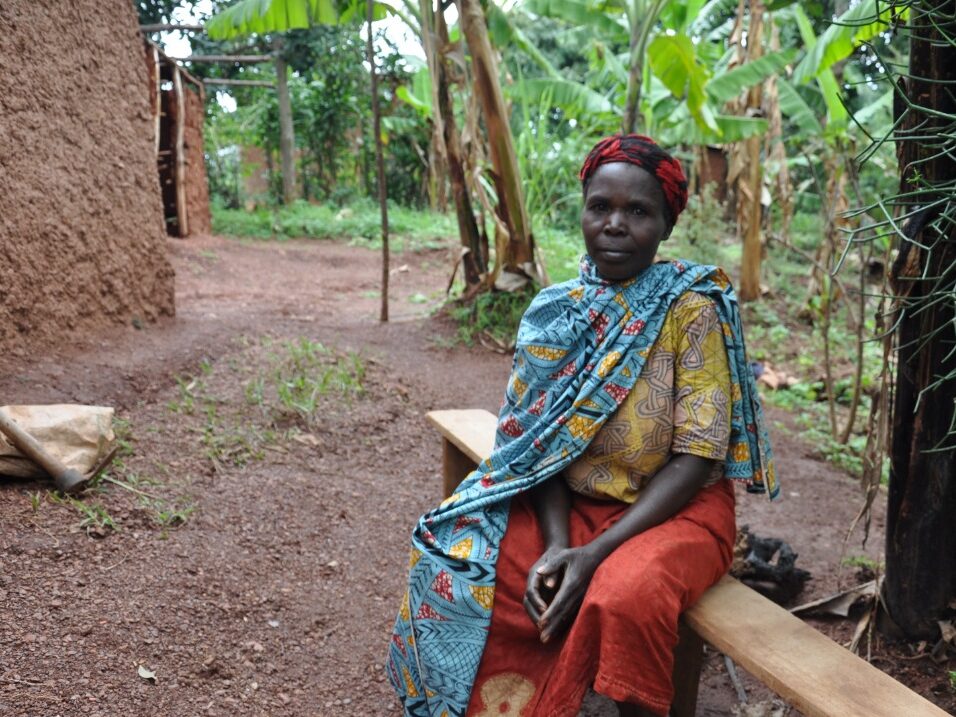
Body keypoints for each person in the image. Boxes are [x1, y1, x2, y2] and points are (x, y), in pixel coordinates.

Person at [387, 134, 778, 717]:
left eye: (638, 211)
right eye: (601, 207)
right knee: (466, 558)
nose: (615, 225)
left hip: (676, 509)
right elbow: (535, 448)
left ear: (667, 225)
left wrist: (592, 555)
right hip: (570, 503)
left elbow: (697, 459)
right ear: (583, 212)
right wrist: (558, 546)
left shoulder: (691, 310)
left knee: (624, 597)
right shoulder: (555, 310)